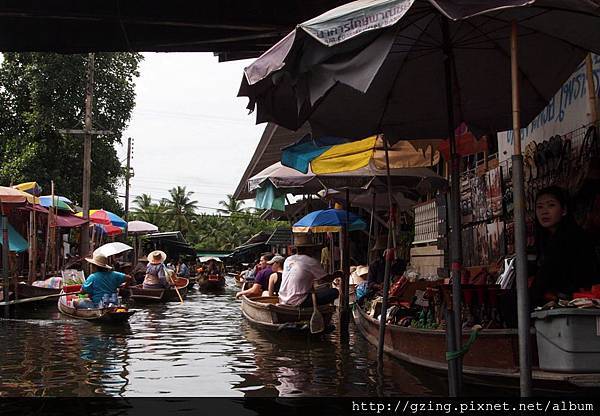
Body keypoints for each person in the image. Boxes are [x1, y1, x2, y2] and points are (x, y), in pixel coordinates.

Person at [530, 186, 599, 306]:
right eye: (539, 207)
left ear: (564, 210)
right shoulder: (547, 239)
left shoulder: (571, 237)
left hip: (580, 300)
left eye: (551, 205)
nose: (544, 211)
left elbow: (548, 274)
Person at [278, 234, 340, 307]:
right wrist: (338, 274)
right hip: (299, 300)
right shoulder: (311, 261)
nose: (313, 251)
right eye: (312, 248)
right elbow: (327, 279)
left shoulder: (288, 259)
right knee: (334, 292)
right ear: (308, 249)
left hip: (282, 299)